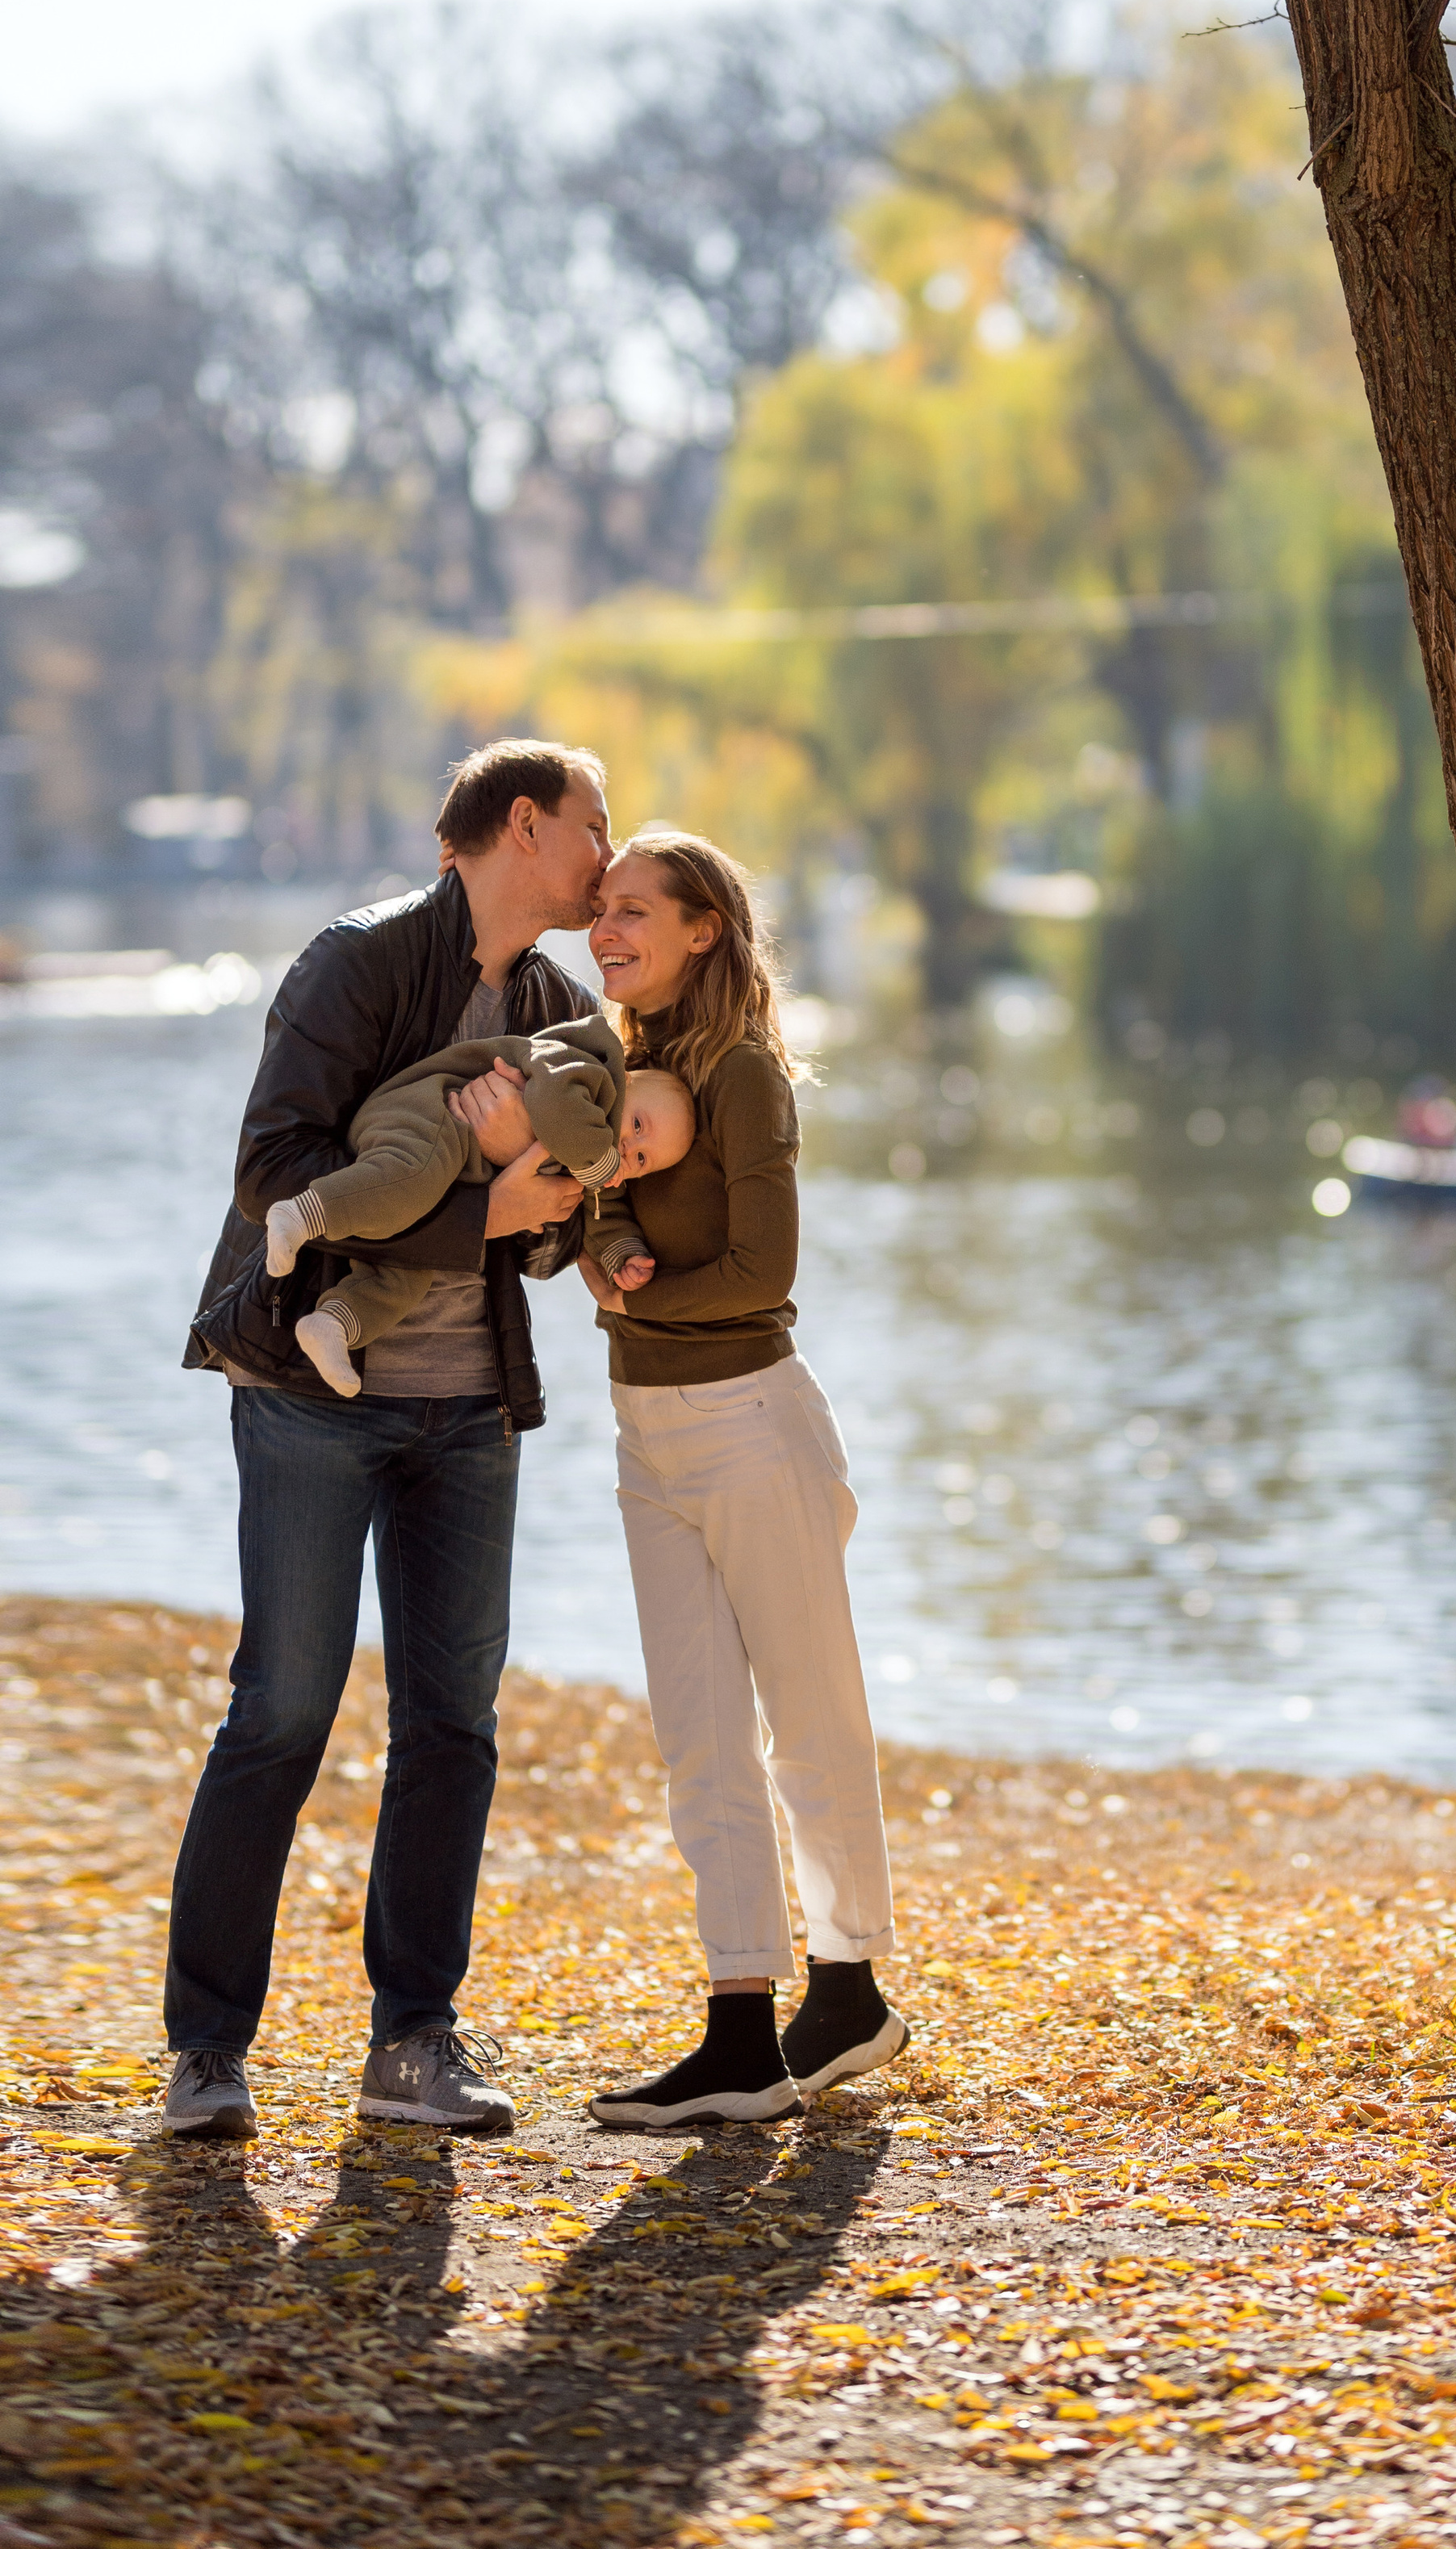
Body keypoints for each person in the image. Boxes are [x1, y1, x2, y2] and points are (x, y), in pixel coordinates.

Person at [165, 738, 614, 2143]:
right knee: (282, 1714)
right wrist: (477, 1206)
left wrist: (553, 1207)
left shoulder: (555, 1001)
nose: (609, 855)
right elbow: (276, 1167)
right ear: (526, 827)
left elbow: (556, 1232)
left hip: (470, 1410)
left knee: (451, 1730)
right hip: (312, 1397)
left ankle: (412, 2042)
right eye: (595, 829)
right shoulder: (357, 962)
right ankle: (206, 2052)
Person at [540, 827, 906, 2127]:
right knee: (701, 1742)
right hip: (648, 1438)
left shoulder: (745, 1075)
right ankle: (740, 2027)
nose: (607, 931)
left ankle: (852, 1983)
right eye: (601, 913)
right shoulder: (616, 1068)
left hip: (753, 1422)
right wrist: (615, 1235)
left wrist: (640, 1298)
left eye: (635, 910)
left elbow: (765, 1274)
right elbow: (597, 1208)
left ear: (704, 927)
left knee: (811, 1723)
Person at [263, 1023, 691, 1396]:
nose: (629, 1148)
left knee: (408, 1271)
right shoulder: (587, 1069)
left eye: (641, 1160)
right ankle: (301, 1215)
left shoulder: (595, 1154)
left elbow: (602, 1212)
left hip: (454, 1169)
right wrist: (601, 1163)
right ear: (627, 1083)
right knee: (409, 1179)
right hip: (431, 1115)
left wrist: (622, 1252)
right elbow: (555, 1104)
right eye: (637, 1126)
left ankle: (333, 1325)